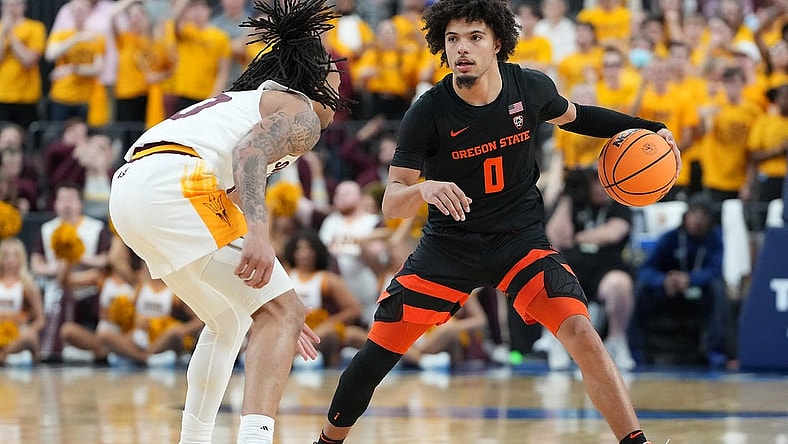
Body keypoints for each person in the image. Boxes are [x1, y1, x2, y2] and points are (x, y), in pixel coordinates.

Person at [312, 1, 679, 444]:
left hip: (518, 242)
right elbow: (392, 202)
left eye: (474, 37)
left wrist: (650, 127)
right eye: (452, 39)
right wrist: (423, 189)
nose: (461, 49)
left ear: (497, 43)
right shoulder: (426, 112)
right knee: (376, 355)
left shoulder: (530, 87)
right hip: (449, 247)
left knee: (582, 330)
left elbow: (580, 117)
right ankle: (326, 442)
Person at [108, 0, 346, 443]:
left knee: (230, 321)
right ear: (317, 82)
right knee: (280, 312)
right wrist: (264, 249)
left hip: (130, 190)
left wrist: (278, 307)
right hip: (173, 182)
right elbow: (249, 155)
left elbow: (233, 188)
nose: (341, 84)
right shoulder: (300, 112)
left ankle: (193, 439)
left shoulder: (248, 105)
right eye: (336, 75)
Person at [628, 195, 730, 368]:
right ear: (685, 216)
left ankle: (715, 352)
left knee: (718, 289)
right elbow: (646, 269)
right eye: (694, 214)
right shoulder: (670, 237)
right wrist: (664, 280)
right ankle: (635, 351)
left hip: (699, 291)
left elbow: (715, 271)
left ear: (710, 220)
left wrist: (690, 279)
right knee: (641, 288)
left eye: (703, 215)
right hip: (668, 290)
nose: (697, 219)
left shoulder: (715, 238)